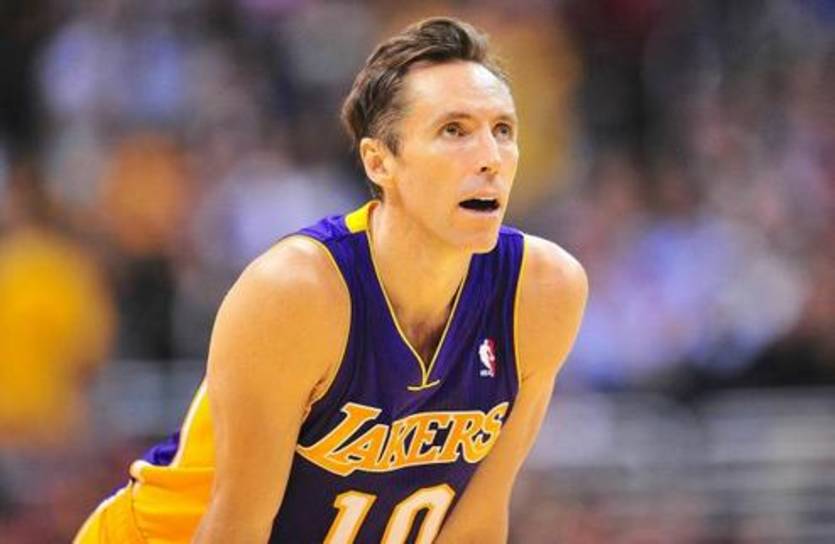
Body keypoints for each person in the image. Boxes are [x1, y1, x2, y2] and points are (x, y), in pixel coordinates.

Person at [74, 16, 588, 544]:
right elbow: (237, 529)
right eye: (453, 131)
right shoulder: (298, 293)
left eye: (503, 130)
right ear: (379, 162)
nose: (490, 158)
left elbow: (475, 526)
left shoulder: (544, 292)